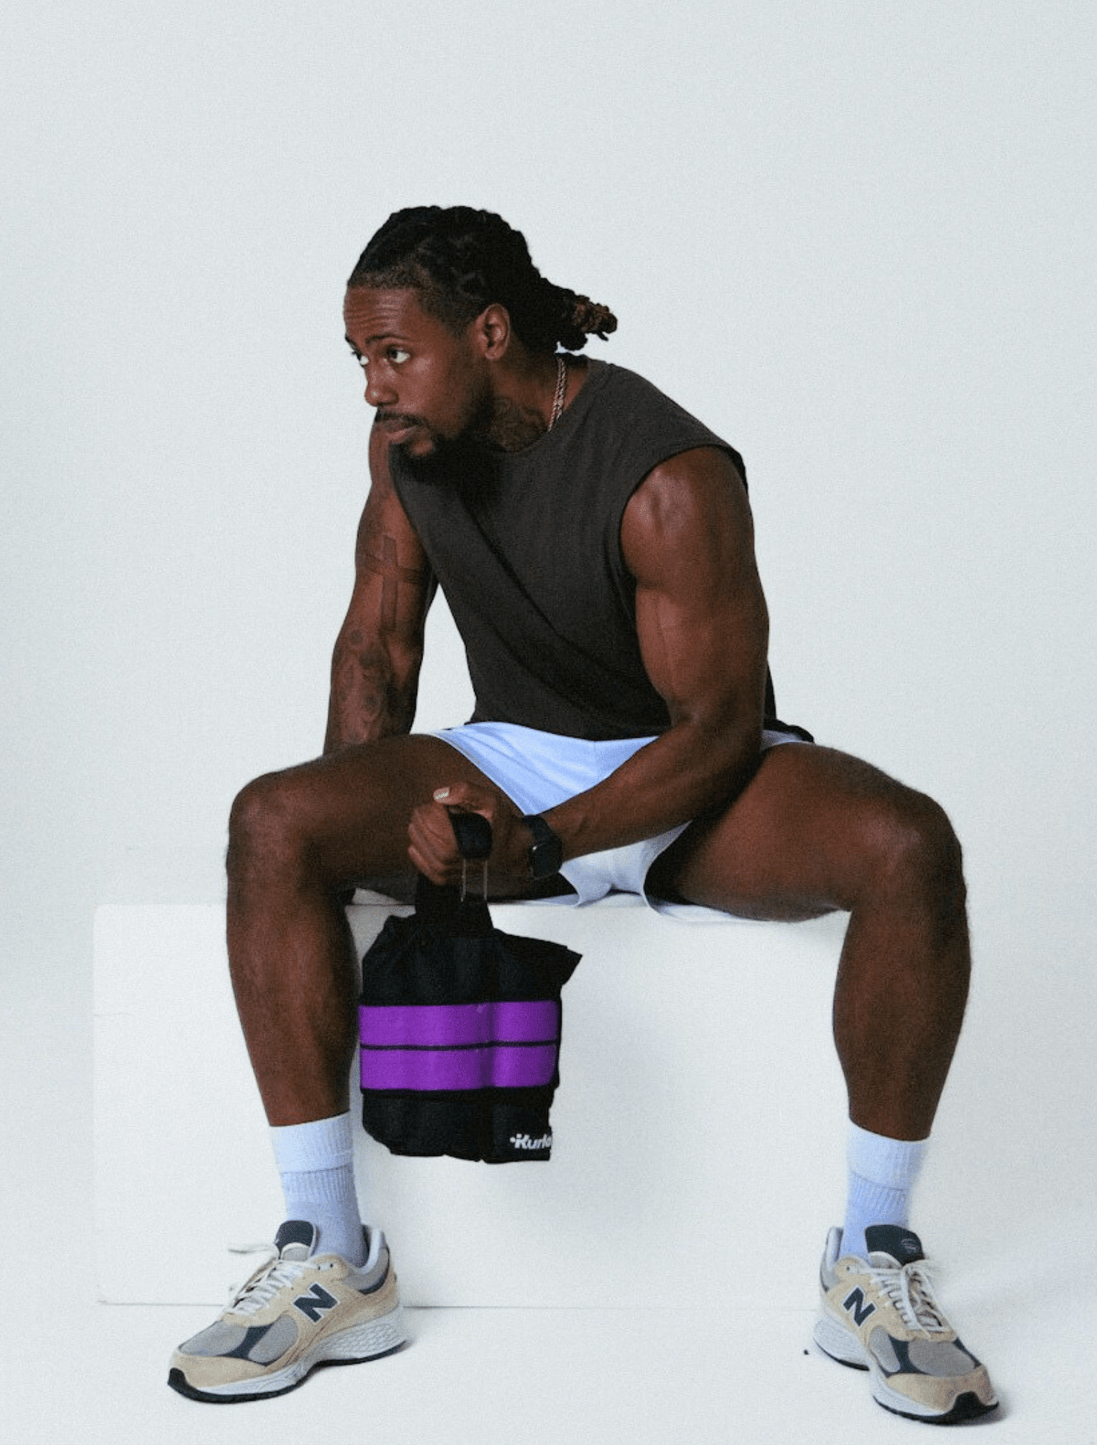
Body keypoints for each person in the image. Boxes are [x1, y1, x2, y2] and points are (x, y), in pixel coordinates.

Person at [167, 205, 999, 1424]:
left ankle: (872, 1254)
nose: (373, 386)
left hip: (687, 772)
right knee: (271, 822)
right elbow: (377, 644)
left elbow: (715, 725)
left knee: (907, 845)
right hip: (511, 755)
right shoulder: (406, 447)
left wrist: (547, 842)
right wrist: (348, 832)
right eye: (359, 358)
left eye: (394, 353)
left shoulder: (667, 472)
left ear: (489, 332)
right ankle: (330, 1251)